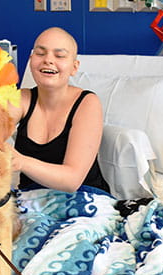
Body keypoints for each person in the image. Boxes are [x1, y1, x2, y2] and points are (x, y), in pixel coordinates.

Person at [10, 27, 110, 193]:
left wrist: (20, 162)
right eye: (40, 53)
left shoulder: (87, 103)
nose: (48, 60)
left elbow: (72, 180)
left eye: (60, 56)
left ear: (74, 67)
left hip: (83, 200)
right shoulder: (21, 99)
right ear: (30, 60)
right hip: (31, 202)